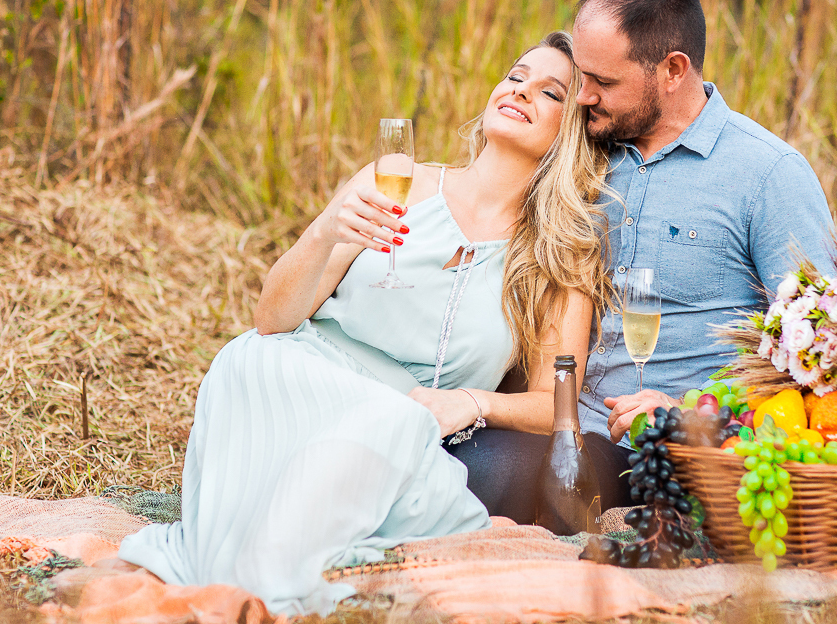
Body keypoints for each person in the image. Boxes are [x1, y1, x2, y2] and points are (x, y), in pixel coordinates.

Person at [116, 32, 614, 616]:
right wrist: (327, 228)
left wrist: (473, 403)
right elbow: (272, 319)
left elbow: (554, 406)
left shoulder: (556, 254)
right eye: (515, 76)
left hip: (400, 416)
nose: (520, 91)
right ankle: (242, 586)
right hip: (295, 369)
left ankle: (244, 591)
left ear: (571, 132)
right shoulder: (397, 180)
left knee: (383, 431)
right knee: (245, 356)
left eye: (549, 92)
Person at [449, 0, 837, 519]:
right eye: (580, 76)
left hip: (681, 452)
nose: (582, 96)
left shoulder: (767, 174)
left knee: (483, 474)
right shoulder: (580, 152)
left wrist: (695, 410)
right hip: (561, 428)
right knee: (445, 462)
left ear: (673, 70)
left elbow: (823, 351)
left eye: (603, 82)